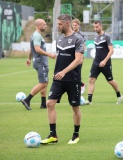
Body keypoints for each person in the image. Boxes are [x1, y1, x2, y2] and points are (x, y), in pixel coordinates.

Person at [40, 14, 84, 145]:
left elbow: (78, 60)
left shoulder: (78, 39)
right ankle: (53, 135)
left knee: (75, 107)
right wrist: (59, 73)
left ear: (67, 24)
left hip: (73, 79)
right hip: (58, 79)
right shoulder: (59, 40)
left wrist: (64, 72)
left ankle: (76, 135)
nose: (57, 26)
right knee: (49, 103)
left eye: (59, 24)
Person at [84, 20, 123, 105]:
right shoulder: (95, 37)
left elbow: (111, 50)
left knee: (110, 81)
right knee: (91, 79)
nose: (95, 28)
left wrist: (105, 61)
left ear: (101, 26)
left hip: (106, 63)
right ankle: (89, 100)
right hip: (96, 62)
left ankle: (119, 96)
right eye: (94, 27)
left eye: (97, 27)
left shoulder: (107, 37)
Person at [21, 19, 56, 110]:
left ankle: (43, 103)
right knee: (43, 83)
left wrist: (29, 58)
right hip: (41, 62)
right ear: (39, 26)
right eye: (44, 24)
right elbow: (37, 49)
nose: (46, 26)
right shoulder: (37, 36)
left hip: (40, 62)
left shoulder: (35, 35)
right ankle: (27, 100)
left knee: (45, 82)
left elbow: (31, 49)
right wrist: (50, 55)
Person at [72, 18, 86, 94]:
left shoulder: (82, 35)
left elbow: (83, 46)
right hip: (71, 56)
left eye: (76, 25)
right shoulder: (70, 34)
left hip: (78, 56)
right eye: (73, 25)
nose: (74, 26)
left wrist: (81, 57)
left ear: (78, 25)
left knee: (77, 72)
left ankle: (81, 85)